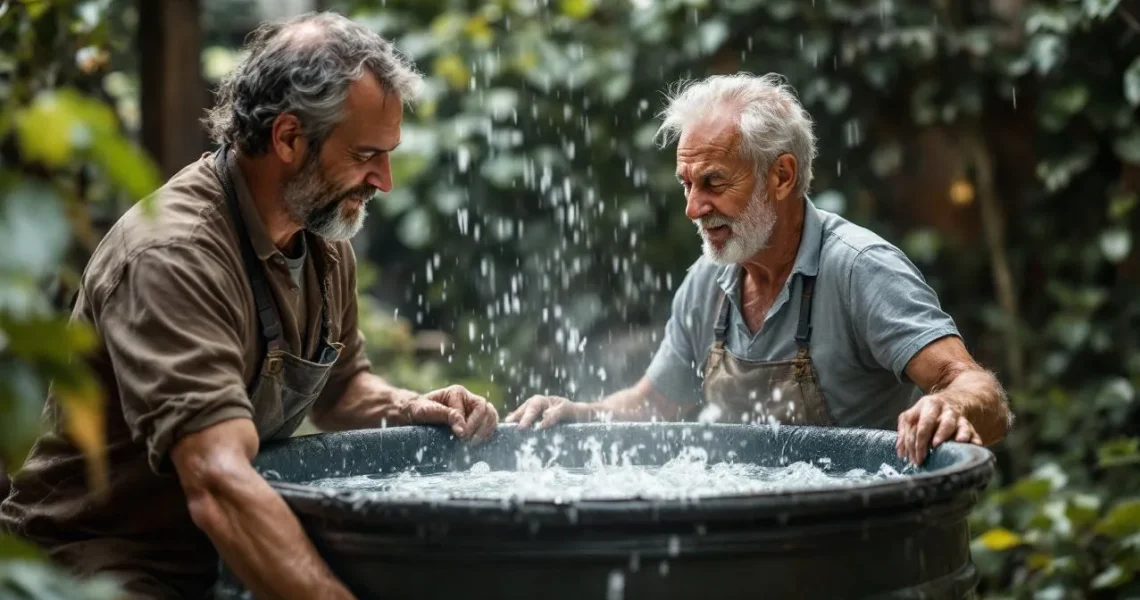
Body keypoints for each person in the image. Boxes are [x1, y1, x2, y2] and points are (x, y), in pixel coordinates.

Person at [1, 12, 498, 600]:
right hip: (99, 566)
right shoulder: (174, 257)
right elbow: (216, 481)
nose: (384, 180)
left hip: (216, 559)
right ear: (288, 139)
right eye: (367, 154)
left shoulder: (323, 237)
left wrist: (416, 406)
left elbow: (342, 391)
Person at [507, 73, 1012, 464]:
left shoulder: (861, 270)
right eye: (687, 184)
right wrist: (580, 414)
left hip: (859, 542)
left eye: (713, 182)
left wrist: (952, 407)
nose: (693, 207)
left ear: (782, 176)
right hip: (747, 541)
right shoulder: (707, 283)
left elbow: (979, 390)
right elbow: (655, 403)